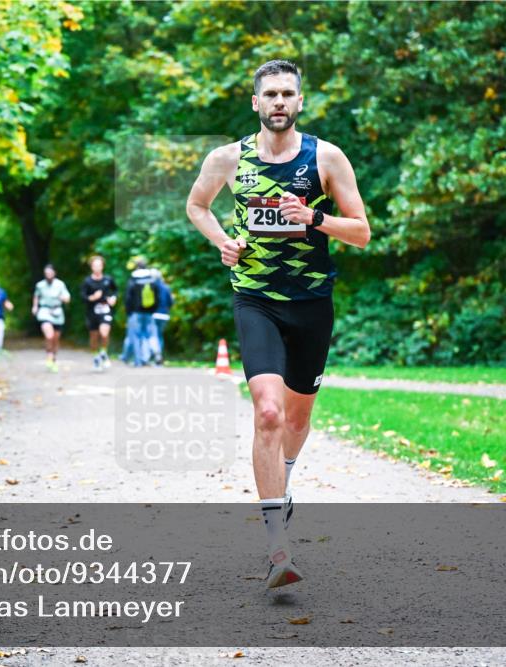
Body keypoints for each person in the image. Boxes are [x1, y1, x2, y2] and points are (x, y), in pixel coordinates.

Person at [185, 60, 371, 589]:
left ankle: (283, 480)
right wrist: (224, 241)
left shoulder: (326, 157)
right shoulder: (227, 159)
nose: (280, 102)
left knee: (294, 420)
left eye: (288, 93)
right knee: (267, 412)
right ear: (256, 103)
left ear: (300, 101)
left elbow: (361, 233)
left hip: (311, 301)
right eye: (271, 94)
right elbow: (198, 206)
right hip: (256, 300)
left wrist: (313, 217)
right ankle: (276, 548)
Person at [80, 255, 118, 372]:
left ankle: (104, 352)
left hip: (105, 310)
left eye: (99, 265)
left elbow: (115, 290)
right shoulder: (87, 281)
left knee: (104, 333)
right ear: (91, 267)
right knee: (94, 336)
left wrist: (113, 298)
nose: (97, 268)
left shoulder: (108, 279)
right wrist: (92, 297)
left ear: (102, 267)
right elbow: (82, 297)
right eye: (95, 265)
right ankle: (96, 356)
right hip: (92, 312)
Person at [31, 264, 71, 372]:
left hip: (57, 312)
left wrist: (63, 298)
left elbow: (67, 298)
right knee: (49, 335)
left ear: (54, 273)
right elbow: (36, 296)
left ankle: (53, 357)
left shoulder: (60, 284)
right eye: (46, 273)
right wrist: (35, 307)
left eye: (50, 273)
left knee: (56, 338)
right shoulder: (40, 285)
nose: (48, 275)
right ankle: (49, 355)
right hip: (44, 311)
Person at [124, 258, 163, 367]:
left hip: (136, 313)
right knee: (150, 335)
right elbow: (158, 295)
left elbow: (128, 297)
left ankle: (138, 361)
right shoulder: (151, 279)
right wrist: (154, 309)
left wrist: (128, 312)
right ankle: (155, 353)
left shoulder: (133, 279)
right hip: (150, 312)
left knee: (137, 336)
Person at [151, 268, 174, 358]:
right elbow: (171, 302)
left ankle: (154, 356)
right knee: (159, 335)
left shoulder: (151, 287)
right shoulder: (167, 287)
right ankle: (159, 356)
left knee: (153, 335)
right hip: (164, 315)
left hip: (153, 314)